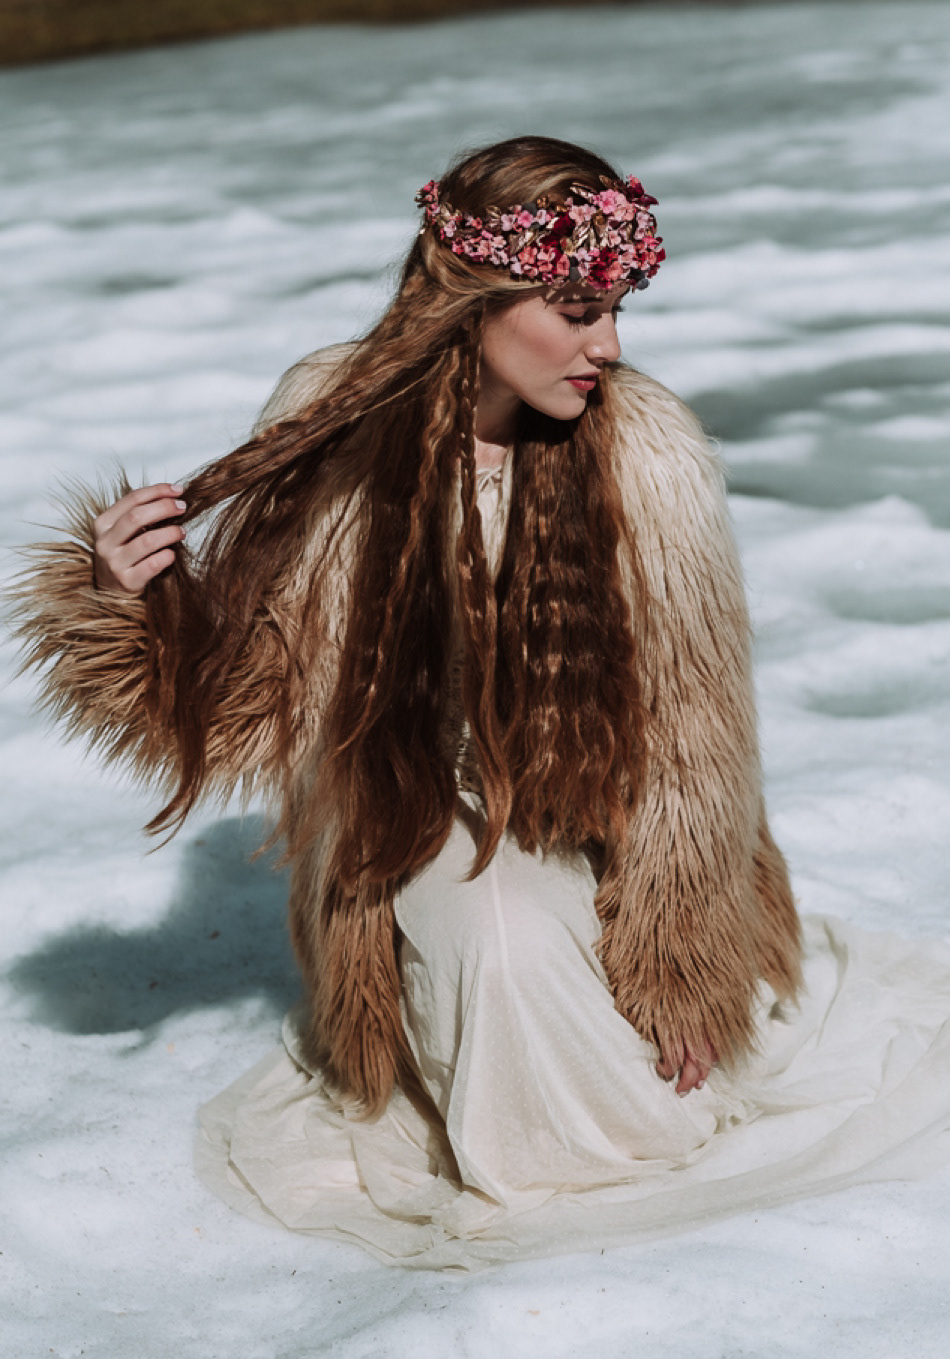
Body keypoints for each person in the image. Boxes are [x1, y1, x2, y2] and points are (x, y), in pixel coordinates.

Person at [11, 136, 950, 1271]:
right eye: (577, 311)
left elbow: (692, 747)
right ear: (472, 299)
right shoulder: (333, 415)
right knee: (506, 965)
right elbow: (258, 710)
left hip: (609, 822)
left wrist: (679, 958)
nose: (609, 345)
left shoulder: (648, 451)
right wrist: (133, 603)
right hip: (413, 808)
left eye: (617, 310)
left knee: (649, 1065)